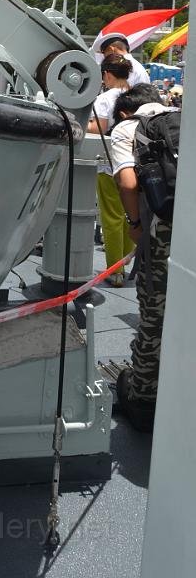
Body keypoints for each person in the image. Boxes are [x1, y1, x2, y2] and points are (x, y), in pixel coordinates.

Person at [109, 84, 176, 431]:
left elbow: (128, 183)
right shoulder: (180, 119)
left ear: (124, 110)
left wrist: (135, 224)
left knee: (155, 312)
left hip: (162, 232)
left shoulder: (127, 127)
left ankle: (143, 397)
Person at [88, 54, 134, 286]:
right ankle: (125, 262)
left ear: (106, 74)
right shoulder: (136, 95)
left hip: (109, 163)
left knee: (112, 217)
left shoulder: (106, 98)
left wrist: (83, 122)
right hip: (135, 163)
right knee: (130, 216)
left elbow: (100, 127)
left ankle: (114, 270)